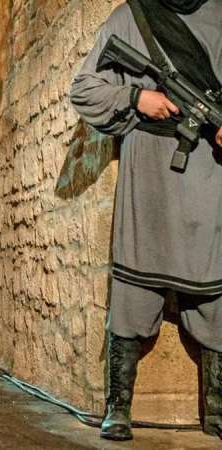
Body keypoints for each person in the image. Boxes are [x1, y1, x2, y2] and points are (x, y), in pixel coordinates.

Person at [70, 0, 222, 441]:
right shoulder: (130, 16)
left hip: (209, 174)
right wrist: (136, 98)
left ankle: (217, 408)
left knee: (215, 291)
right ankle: (118, 406)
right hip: (148, 178)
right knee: (132, 292)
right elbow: (84, 88)